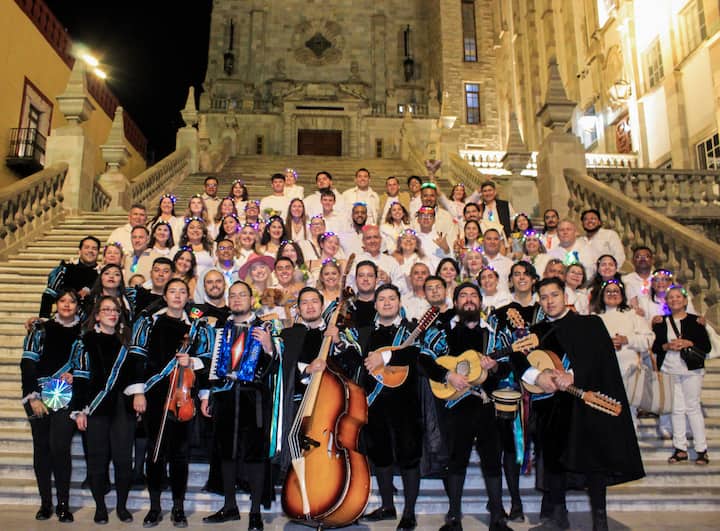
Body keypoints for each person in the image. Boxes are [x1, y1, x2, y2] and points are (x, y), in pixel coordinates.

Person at [525, 278, 644, 531]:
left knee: (594, 462)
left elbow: (601, 359)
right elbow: (523, 361)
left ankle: (600, 520)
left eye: (554, 295)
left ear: (565, 295)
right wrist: (538, 377)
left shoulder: (590, 323)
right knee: (554, 461)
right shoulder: (537, 331)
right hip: (552, 407)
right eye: (544, 297)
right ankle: (559, 517)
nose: (549, 301)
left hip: (585, 405)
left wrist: (574, 375)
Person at [334, 284, 446, 531]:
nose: (386, 302)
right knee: (380, 456)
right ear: (375, 305)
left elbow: (418, 356)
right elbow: (355, 363)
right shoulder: (364, 333)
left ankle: (409, 513)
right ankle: (387, 507)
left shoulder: (412, 329)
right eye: (382, 299)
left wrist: (385, 357)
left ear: (399, 302)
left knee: (409, 458)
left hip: (406, 406)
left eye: (391, 298)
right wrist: (340, 344)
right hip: (374, 405)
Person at [427, 283, 514, 531]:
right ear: (455, 302)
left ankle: (497, 516)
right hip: (456, 404)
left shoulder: (494, 332)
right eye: (463, 295)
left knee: (492, 460)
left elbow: (508, 364)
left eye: (473, 295)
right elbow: (424, 358)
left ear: (480, 301)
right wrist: (448, 375)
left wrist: (494, 367)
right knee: (457, 459)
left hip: (488, 404)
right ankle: (454, 517)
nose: (468, 300)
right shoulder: (443, 330)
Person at [127, 278, 214, 527]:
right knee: (155, 453)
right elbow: (137, 357)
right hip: (155, 396)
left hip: (183, 398)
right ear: (164, 296)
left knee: (179, 455)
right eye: (172, 291)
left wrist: (192, 362)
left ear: (188, 297)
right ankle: (154, 507)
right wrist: (138, 392)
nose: (177, 295)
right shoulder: (151, 322)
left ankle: (178, 507)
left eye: (182, 292)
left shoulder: (196, 327)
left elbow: (208, 362)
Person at [201, 280, 282, 530]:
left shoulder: (266, 327)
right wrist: (207, 394)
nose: (237, 299)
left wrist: (269, 348)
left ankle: (255, 512)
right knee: (226, 453)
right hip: (225, 397)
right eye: (233, 295)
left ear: (251, 300)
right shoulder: (220, 330)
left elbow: (276, 368)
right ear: (228, 301)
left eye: (242, 295)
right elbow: (211, 365)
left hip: (253, 399)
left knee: (255, 456)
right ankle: (229, 506)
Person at [70, 296, 138, 524]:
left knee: (123, 460)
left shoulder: (126, 342)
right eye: (106, 310)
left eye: (115, 310)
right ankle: (100, 507)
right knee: (97, 460)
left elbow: (133, 375)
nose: (112, 313)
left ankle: (121, 506)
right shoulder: (86, 341)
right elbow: (80, 378)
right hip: (96, 406)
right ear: (97, 315)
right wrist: (79, 410)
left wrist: (137, 397)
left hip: (122, 407)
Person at [21, 290, 83, 522]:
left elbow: (87, 363)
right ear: (56, 303)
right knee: (42, 449)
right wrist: (33, 397)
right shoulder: (40, 329)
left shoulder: (84, 331)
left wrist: (76, 375)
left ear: (78, 306)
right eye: (62, 300)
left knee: (60, 448)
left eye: (72, 301)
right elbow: (28, 364)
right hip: (38, 395)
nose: (67, 305)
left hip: (67, 395)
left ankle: (63, 504)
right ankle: (45, 503)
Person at [652, 285, 711, 466]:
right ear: (666, 302)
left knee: (692, 407)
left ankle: (701, 449)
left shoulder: (696, 321)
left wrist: (688, 342)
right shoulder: (660, 322)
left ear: (685, 301)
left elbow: (706, 346)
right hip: (669, 369)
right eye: (671, 297)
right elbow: (656, 347)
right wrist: (668, 346)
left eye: (678, 297)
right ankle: (680, 448)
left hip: (691, 370)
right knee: (676, 409)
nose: (674, 300)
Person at [593, 279, 654, 431]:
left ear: (622, 295)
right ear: (602, 295)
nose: (612, 294)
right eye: (608, 291)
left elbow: (649, 339)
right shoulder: (594, 318)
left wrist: (628, 340)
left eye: (616, 291)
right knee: (605, 411)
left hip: (629, 372)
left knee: (629, 412)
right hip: (603, 374)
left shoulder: (632, 315)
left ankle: (630, 444)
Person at [39, 236, 100, 318]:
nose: (90, 251)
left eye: (94, 248)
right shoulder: (64, 270)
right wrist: (44, 318)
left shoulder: (102, 274)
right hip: (65, 319)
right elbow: (49, 295)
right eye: (86, 247)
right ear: (79, 251)